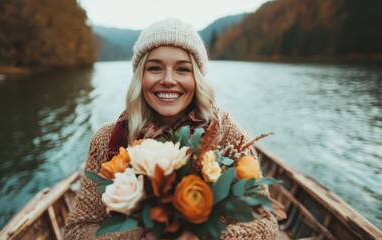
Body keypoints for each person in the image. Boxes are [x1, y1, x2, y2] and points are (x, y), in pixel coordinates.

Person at [65, 18, 278, 240]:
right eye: (155, 68)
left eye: (182, 69)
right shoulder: (107, 140)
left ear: (196, 78)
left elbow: (265, 224)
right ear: (140, 76)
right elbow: (78, 231)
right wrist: (139, 236)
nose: (168, 80)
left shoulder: (227, 134)